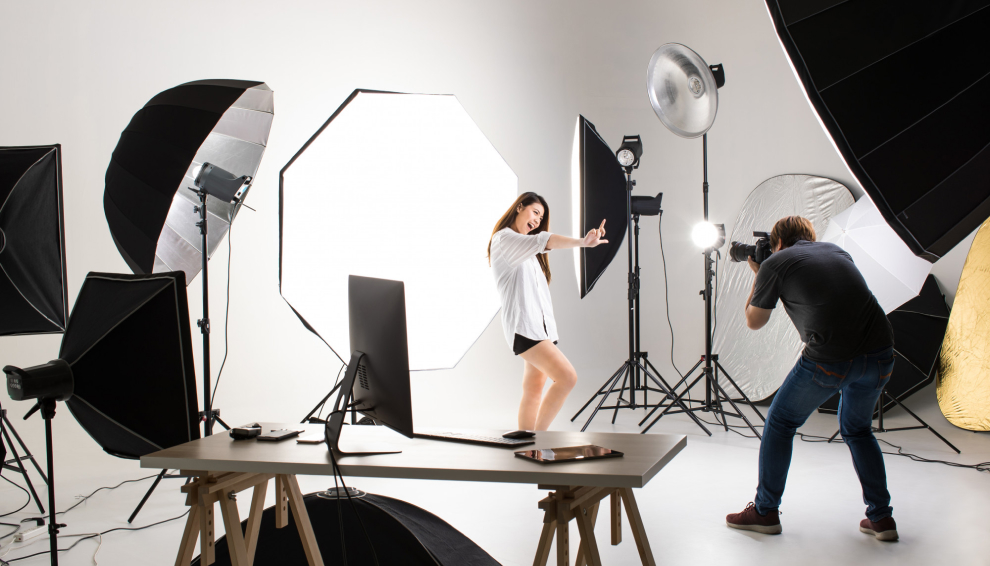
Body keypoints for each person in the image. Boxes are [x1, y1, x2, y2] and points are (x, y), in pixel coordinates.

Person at [725, 216, 898, 541]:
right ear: (809, 237)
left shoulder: (775, 263)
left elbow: (754, 321)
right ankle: (882, 518)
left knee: (780, 422)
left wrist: (760, 275)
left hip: (831, 359)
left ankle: (765, 512)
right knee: (859, 430)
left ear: (776, 242)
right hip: (881, 355)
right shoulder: (836, 251)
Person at [487, 192, 607, 431]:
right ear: (520, 207)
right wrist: (583, 242)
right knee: (567, 377)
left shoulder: (528, 254)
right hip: (525, 329)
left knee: (532, 390)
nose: (537, 220)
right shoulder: (504, 239)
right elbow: (545, 240)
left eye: (541, 218)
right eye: (535, 212)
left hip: (540, 331)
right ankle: (537, 440)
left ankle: (526, 448)